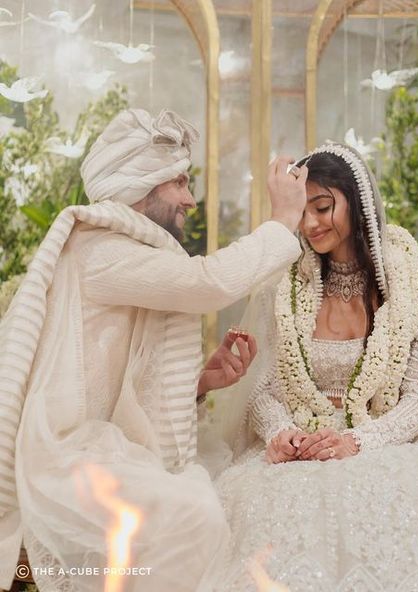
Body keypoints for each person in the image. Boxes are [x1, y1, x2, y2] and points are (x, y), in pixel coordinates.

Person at [0, 108, 309, 592]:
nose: (189, 198)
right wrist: (283, 218)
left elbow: (113, 378)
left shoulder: (122, 247)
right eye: (179, 183)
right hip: (64, 456)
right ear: (141, 185)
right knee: (193, 511)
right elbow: (207, 282)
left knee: (233, 491)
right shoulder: (98, 248)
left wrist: (201, 381)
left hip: (100, 446)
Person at [213, 143, 418, 591]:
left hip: (385, 442)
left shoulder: (412, 281)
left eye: (323, 206)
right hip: (297, 450)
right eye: (302, 211)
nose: (311, 224)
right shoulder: (284, 283)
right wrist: (279, 432)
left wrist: (359, 439)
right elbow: (261, 384)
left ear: (359, 201)